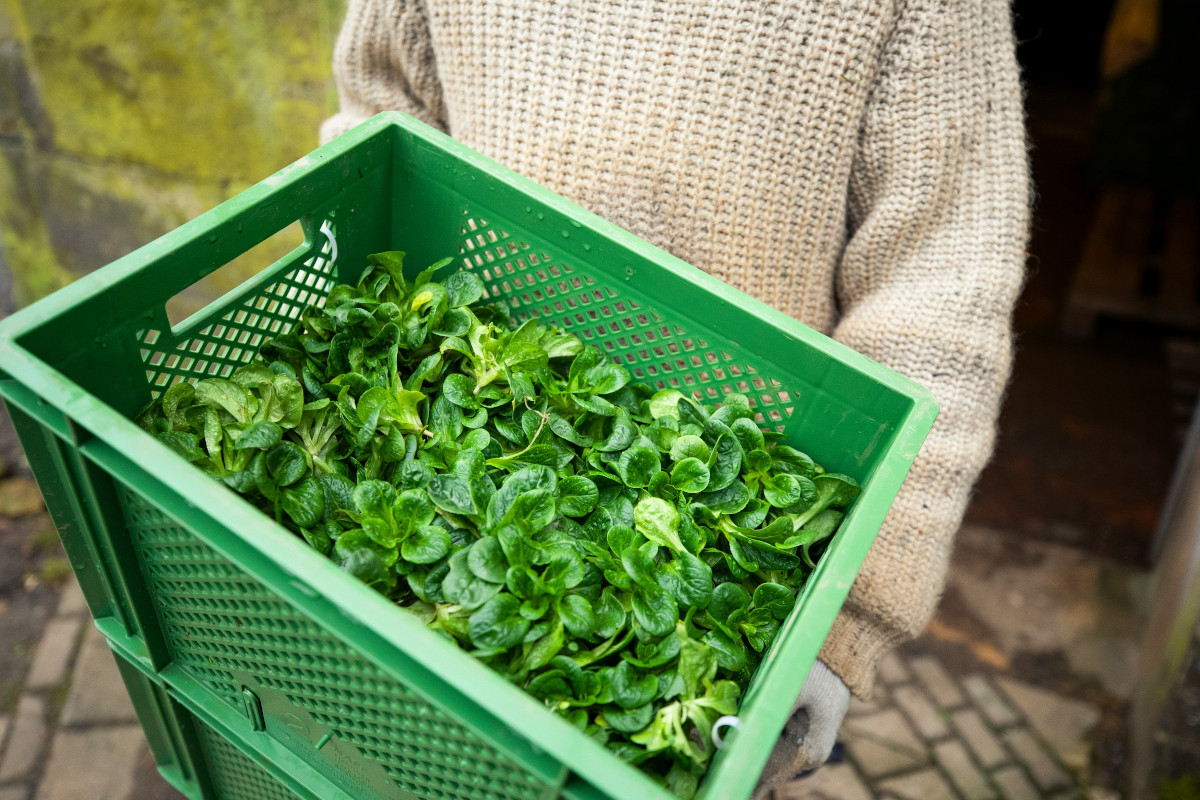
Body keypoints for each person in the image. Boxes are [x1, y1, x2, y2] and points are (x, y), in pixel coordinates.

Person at [321, 1, 1029, 794]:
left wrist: (846, 626)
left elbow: (942, 294)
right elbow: (382, 116)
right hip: (478, 376)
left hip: (743, 476)